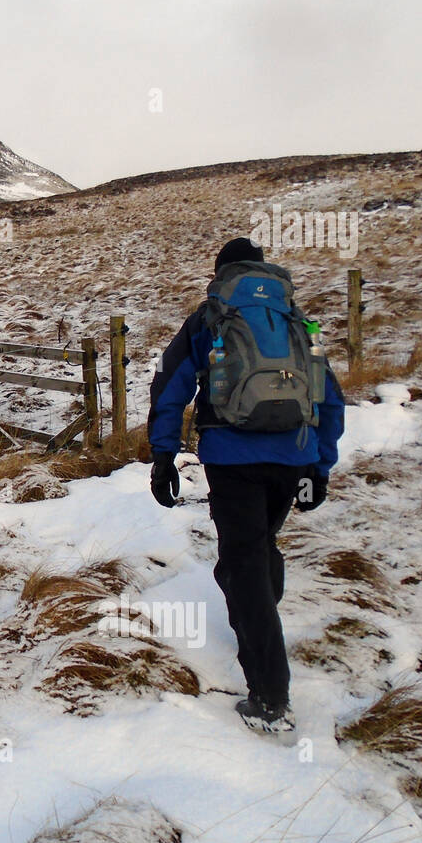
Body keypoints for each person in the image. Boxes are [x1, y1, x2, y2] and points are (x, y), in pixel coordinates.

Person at [147, 237, 346, 734]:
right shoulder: (298, 322)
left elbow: (169, 388)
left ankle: (270, 694)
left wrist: (163, 456)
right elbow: (329, 398)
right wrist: (319, 467)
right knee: (257, 550)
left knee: (245, 565)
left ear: (220, 274)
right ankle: (257, 614)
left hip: (232, 459)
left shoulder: (209, 319)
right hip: (293, 455)